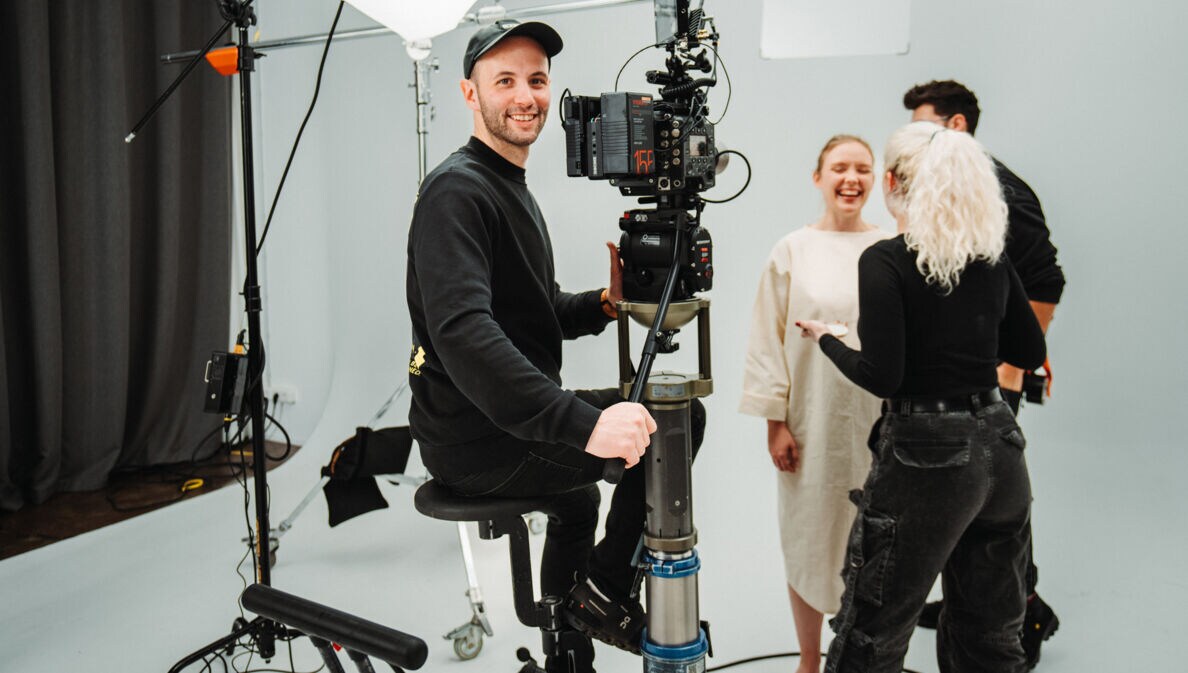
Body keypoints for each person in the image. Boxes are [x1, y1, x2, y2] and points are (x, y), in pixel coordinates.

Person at [405, 20, 704, 672]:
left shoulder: (503, 183)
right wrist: (585, 425)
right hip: (479, 440)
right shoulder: (458, 192)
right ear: (468, 94)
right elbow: (465, 333)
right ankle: (603, 594)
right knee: (679, 421)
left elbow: (529, 315)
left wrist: (602, 304)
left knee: (578, 499)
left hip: (498, 427)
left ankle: (570, 645)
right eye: (504, 81)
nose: (525, 96)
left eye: (536, 80)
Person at [798, 121, 1046, 673]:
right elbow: (1028, 350)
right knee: (991, 633)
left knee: (873, 633)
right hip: (1001, 447)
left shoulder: (886, 260)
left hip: (926, 456)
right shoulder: (990, 257)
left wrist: (830, 340)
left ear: (890, 181)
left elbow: (884, 376)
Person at [904, 79, 1064, 668]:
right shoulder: (963, 185)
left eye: (924, 128)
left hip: (992, 381)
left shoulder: (998, 187)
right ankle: (966, 600)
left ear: (955, 128)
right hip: (963, 373)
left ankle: (1026, 613)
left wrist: (1015, 368)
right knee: (968, 496)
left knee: (994, 498)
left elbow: (1045, 279)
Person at [739, 135, 890, 673]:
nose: (852, 179)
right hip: (811, 418)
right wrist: (774, 423)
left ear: (877, 180)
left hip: (881, 421)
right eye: (840, 168)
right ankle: (809, 660)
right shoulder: (792, 251)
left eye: (863, 169)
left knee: (878, 542)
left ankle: (867, 656)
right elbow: (766, 338)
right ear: (818, 177)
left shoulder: (893, 245)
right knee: (808, 536)